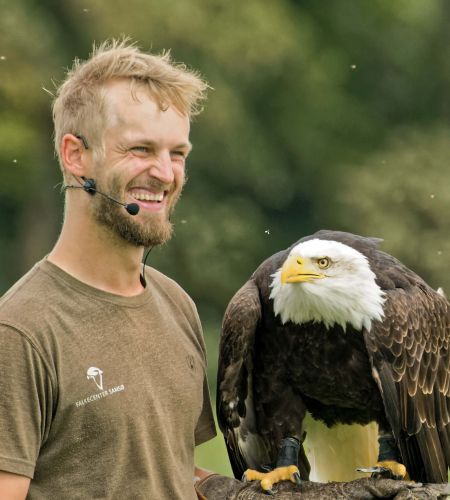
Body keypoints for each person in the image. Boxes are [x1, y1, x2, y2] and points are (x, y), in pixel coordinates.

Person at [0, 39, 216, 499]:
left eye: (177, 153)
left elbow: (166, 474)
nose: (165, 173)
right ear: (75, 155)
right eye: (140, 149)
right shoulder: (20, 332)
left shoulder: (177, 305)